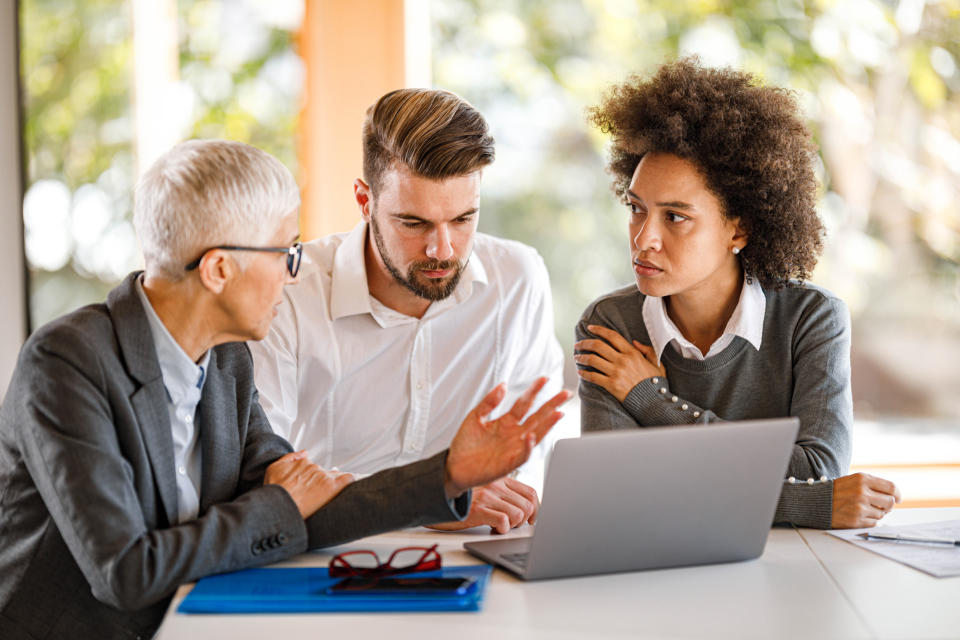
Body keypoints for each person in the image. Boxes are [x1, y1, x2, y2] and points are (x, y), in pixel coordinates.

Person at [0, 139, 569, 640]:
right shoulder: (67, 362)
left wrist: (448, 476)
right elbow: (125, 572)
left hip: (196, 621)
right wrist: (278, 504)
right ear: (220, 270)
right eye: (283, 253)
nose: (293, 273)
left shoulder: (224, 359)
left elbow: (307, 505)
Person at [575, 59, 900, 529]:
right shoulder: (610, 325)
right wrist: (807, 506)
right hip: (658, 578)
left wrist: (652, 402)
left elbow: (817, 470)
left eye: (676, 217)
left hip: (795, 578)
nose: (644, 238)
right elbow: (618, 495)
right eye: (636, 208)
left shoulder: (811, 319)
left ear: (739, 228)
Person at [250, 88, 565, 534]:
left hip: (481, 549)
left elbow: (533, 448)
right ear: (365, 201)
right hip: (329, 555)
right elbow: (270, 478)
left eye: (462, 219)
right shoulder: (291, 291)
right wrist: (435, 496)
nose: (443, 249)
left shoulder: (517, 278)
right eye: (413, 223)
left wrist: (503, 494)